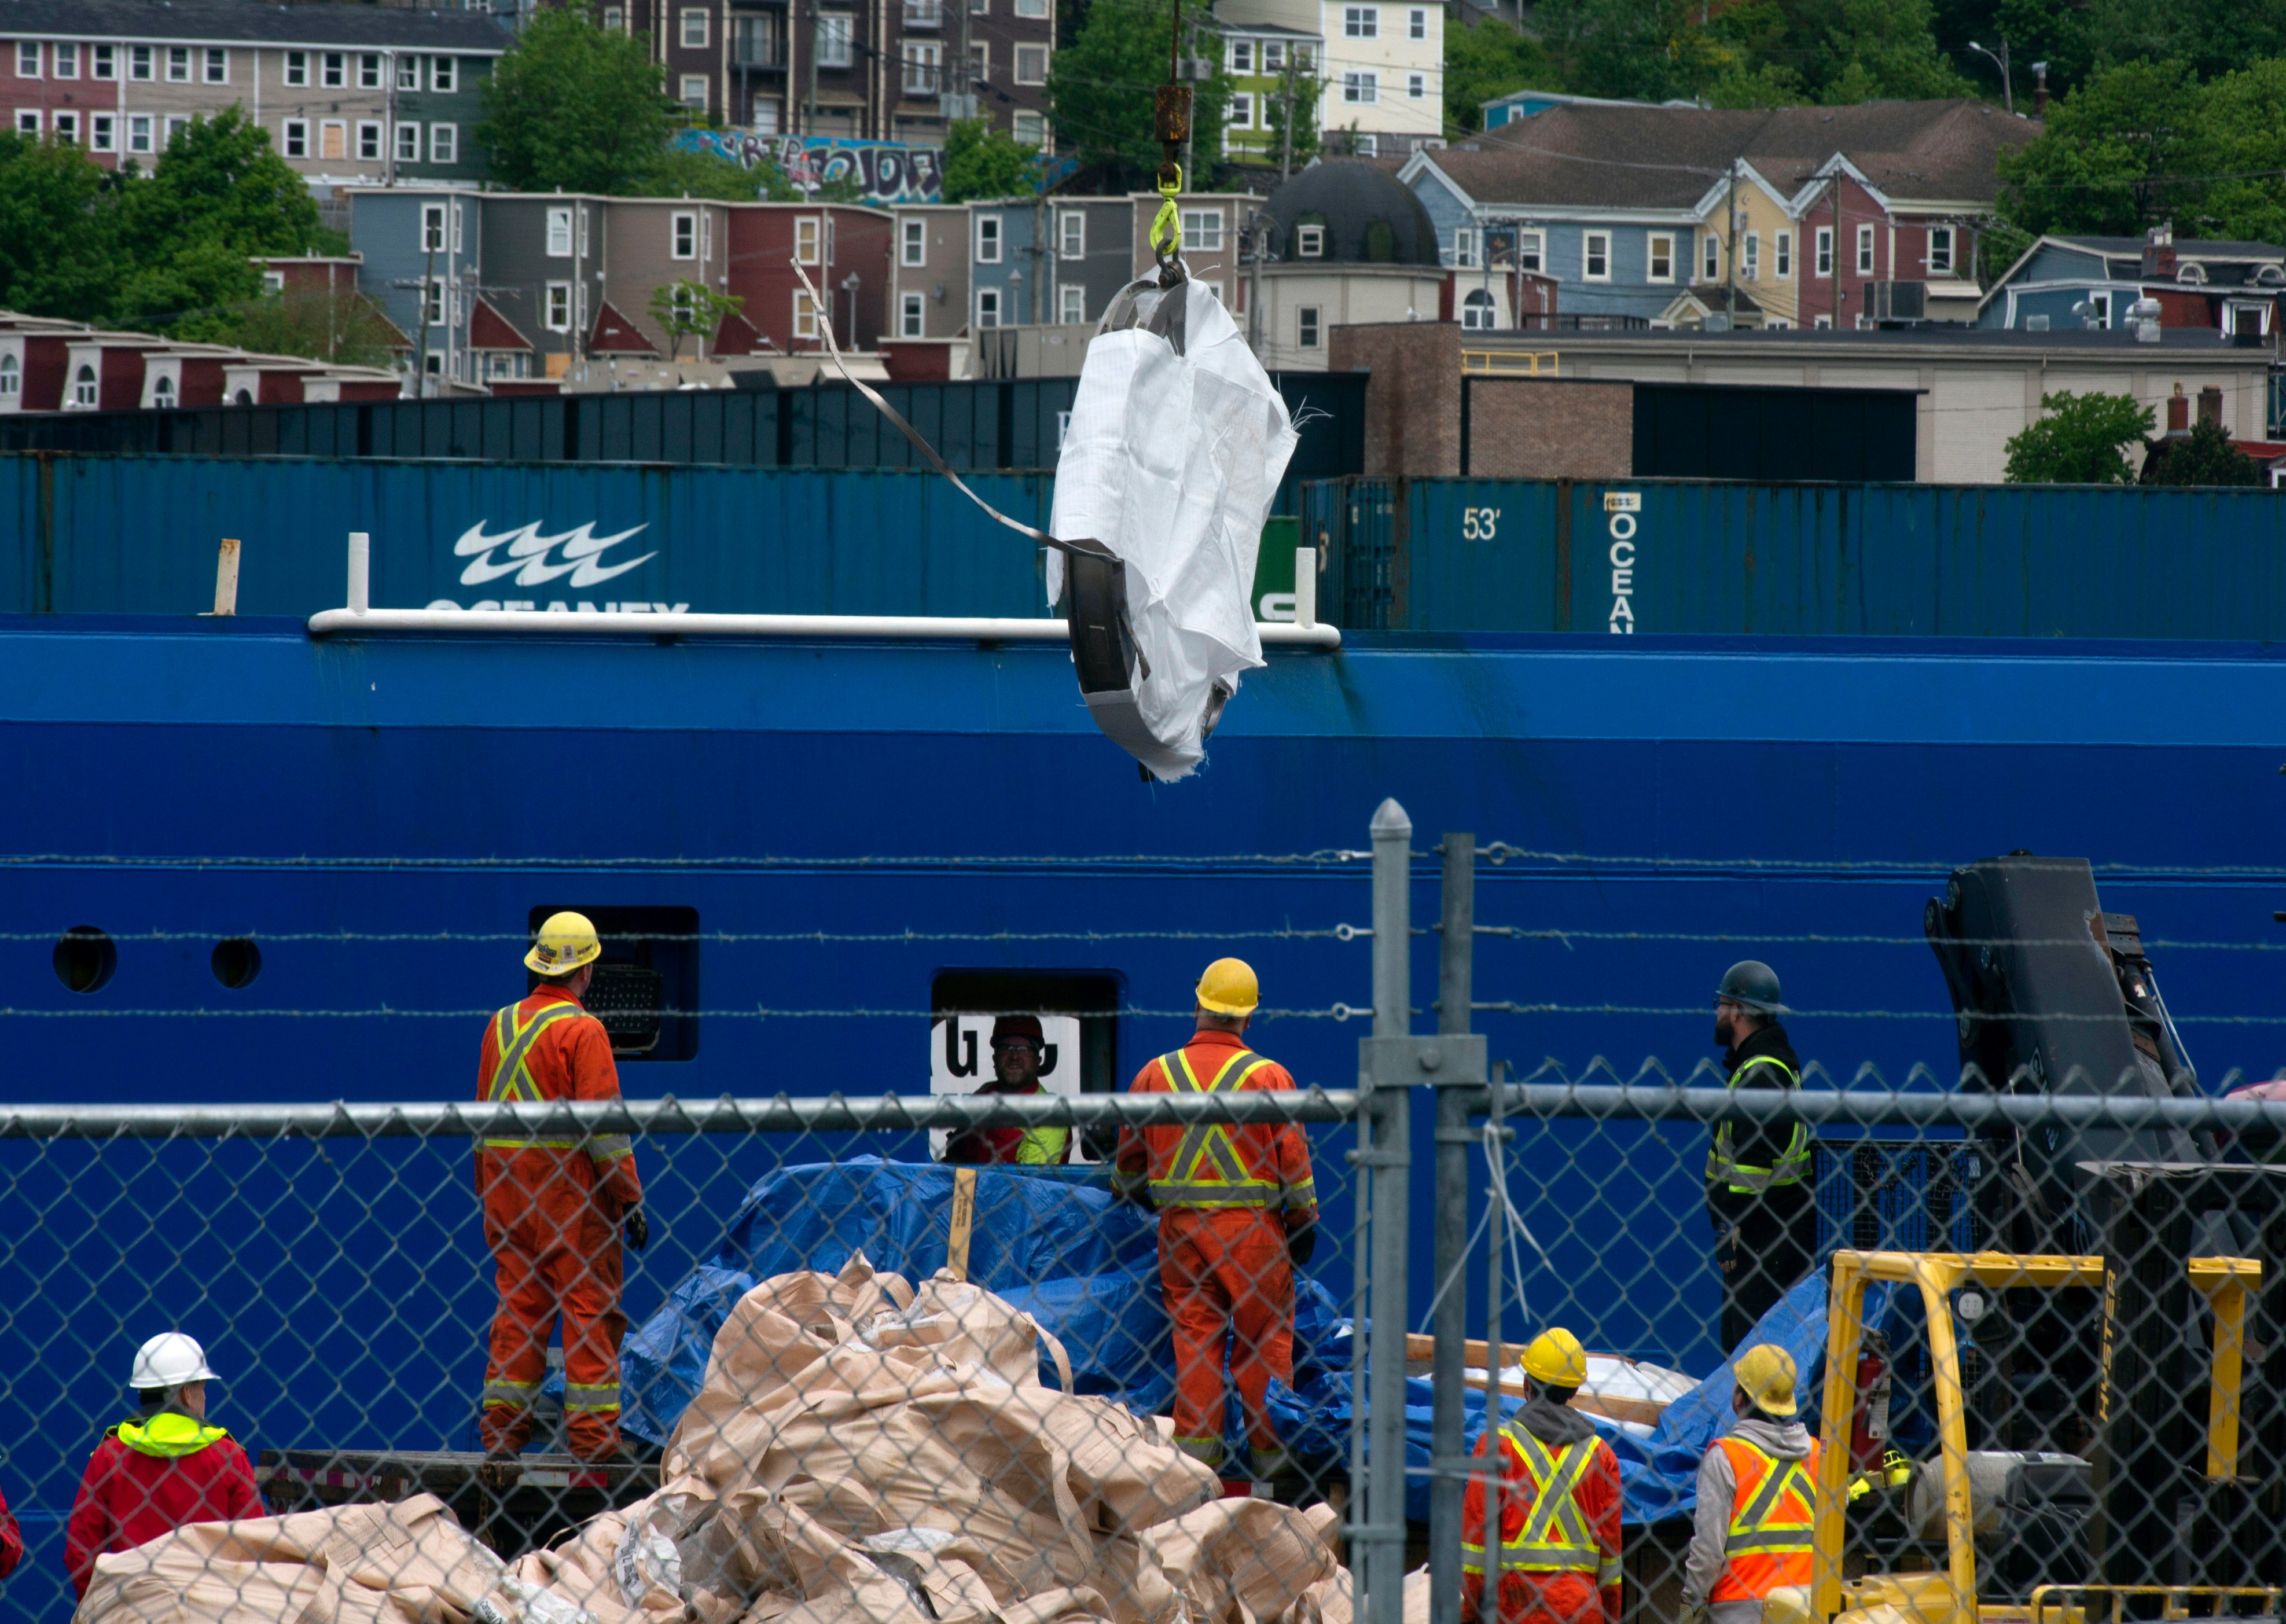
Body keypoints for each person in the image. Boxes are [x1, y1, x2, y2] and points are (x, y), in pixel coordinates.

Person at [1114, 957, 1316, 1478]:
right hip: (1254, 1235)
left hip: (1181, 1233)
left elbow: (1128, 1165)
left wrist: (1144, 1193)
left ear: (1198, 1004)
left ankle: (1196, 1474)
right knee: (1263, 1345)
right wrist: (1303, 1221)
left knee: (1196, 1343)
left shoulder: (1155, 1075)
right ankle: (1276, 1472)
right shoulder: (1269, 1077)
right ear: (1249, 1016)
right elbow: (1294, 1164)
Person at [476, 910, 649, 1463]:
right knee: (588, 1310)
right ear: (588, 969)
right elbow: (605, 1130)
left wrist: (488, 1189)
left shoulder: (500, 1025)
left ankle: (502, 1439)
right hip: (570, 1199)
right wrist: (629, 1197)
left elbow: (483, 1118)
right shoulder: (584, 1030)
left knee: (520, 1311)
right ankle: (594, 1446)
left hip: (507, 1193)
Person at [66, 1333, 261, 1598]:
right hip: (210, 1604)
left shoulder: (110, 1456)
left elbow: (81, 1549)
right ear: (186, 1393)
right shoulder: (228, 1457)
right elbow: (254, 1545)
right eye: (202, 1388)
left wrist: (102, 1604)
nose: (205, 1398)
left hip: (132, 1602)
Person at [1460, 1328, 1623, 1624]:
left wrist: (1468, 1615)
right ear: (1574, 1391)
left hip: (1516, 1610)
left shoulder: (1497, 1447)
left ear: (1527, 1385)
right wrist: (1609, 1616)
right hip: (1582, 1611)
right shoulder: (1602, 1457)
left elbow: (1476, 1552)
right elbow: (1610, 1560)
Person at [1705, 961, 1815, 1349]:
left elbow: (1752, 1166)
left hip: (1763, 1244)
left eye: (1721, 1004)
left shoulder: (1762, 1074)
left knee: (1753, 1355)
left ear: (1737, 1011)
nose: (1717, 1013)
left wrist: (1730, 1225)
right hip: (1766, 1240)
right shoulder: (1761, 1064)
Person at [1681, 1344, 1820, 1624]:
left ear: (1739, 1398)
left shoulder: (1726, 1457)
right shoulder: (1819, 1455)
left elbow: (1708, 1551)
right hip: (1807, 1608)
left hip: (1737, 1610)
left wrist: (1691, 1603)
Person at [943, 1015, 1072, 1165]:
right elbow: (955, 1155)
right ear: (995, 1058)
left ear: (1038, 1061)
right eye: (1006, 1048)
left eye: (1023, 1049)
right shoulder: (984, 1093)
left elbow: (1027, 1180)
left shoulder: (1050, 1118)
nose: (1015, 1056)